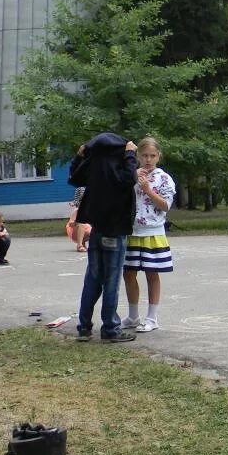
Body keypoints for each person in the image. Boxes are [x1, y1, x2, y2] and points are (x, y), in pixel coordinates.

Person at [69, 133, 138, 342]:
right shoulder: (120, 166)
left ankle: (84, 327)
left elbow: (74, 178)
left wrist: (79, 157)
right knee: (111, 281)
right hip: (115, 230)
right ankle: (110, 329)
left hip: (96, 230)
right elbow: (130, 178)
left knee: (92, 278)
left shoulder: (93, 167)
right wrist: (130, 154)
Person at [121, 137, 176, 333]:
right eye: (144, 155)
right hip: (132, 231)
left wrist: (148, 191)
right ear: (138, 156)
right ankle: (133, 315)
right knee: (128, 274)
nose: (148, 160)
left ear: (158, 157)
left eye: (152, 156)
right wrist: (132, 178)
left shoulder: (164, 178)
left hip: (153, 232)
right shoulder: (132, 175)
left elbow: (165, 205)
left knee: (152, 274)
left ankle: (152, 318)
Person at [65, 188, 90, 253]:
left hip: (86, 230)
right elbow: (71, 224)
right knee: (81, 223)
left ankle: (87, 244)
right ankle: (79, 245)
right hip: (73, 231)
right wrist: (76, 222)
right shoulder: (78, 210)